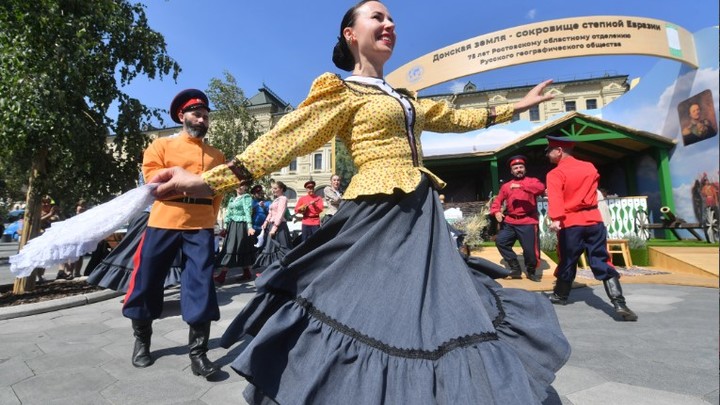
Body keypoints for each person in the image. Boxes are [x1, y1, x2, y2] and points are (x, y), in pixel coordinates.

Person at [149, 2, 569, 402]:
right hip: (378, 210)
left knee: (431, 309)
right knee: (370, 310)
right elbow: (283, 141)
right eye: (377, 17)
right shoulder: (342, 92)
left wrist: (516, 107)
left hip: (420, 211)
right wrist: (210, 181)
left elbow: (454, 118)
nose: (390, 25)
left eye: (392, 19)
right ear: (350, 34)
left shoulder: (402, 96)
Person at [121, 89, 225, 378]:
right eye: (196, 113)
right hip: (164, 219)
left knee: (201, 284)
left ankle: (198, 353)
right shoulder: (161, 146)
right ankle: (142, 341)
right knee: (146, 280)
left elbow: (219, 193)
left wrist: (209, 217)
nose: (202, 118)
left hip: (201, 224)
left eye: (205, 115)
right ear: (182, 116)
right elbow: (153, 185)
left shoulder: (217, 155)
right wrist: (187, 180)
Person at [544, 135, 638, 322]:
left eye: (549, 151)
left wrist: (556, 219)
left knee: (568, 260)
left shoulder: (554, 173)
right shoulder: (589, 167)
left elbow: (556, 197)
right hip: (595, 220)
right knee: (602, 259)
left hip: (571, 223)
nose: (547, 155)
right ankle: (619, 303)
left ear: (559, 151)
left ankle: (561, 296)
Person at [490, 155, 545, 281]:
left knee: (530, 252)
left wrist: (521, 187)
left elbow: (541, 188)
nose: (519, 169)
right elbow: (497, 200)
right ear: (511, 171)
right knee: (501, 241)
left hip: (528, 222)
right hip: (510, 221)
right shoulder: (506, 186)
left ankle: (531, 271)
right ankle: (515, 269)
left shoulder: (532, 181)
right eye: (516, 168)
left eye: (521, 167)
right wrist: (496, 211)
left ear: (525, 169)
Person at [214, 184, 254, 284]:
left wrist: (249, 226)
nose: (240, 187)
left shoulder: (246, 197)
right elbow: (228, 214)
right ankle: (247, 272)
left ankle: (222, 275)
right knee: (236, 247)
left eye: (242, 185)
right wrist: (226, 227)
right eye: (238, 185)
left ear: (246, 187)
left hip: (241, 225)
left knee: (233, 248)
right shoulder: (232, 199)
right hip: (232, 226)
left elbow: (247, 211)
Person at [252, 181, 292, 273]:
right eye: (273, 188)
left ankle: (281, 271)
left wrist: (274, 228)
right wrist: (265, 222)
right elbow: (270, 213)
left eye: (275, 188)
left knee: (281, 248)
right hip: (272, 225)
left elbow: (280, 214)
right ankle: (271, 271)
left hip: (279, 226)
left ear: (281, 189)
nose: (273, 190)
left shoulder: (283, 199)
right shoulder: (276, 199)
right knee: (270, 248)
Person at [57, 200, 88, 280]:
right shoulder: (71, 215)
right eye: (81, 206)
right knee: (70, 254)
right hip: (70, 237)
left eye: (84, 206)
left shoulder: (87, 216)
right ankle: (69, 272)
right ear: (76, 207)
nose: (83, 208)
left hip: (81, 237)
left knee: (80, 254)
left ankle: (77, 272)